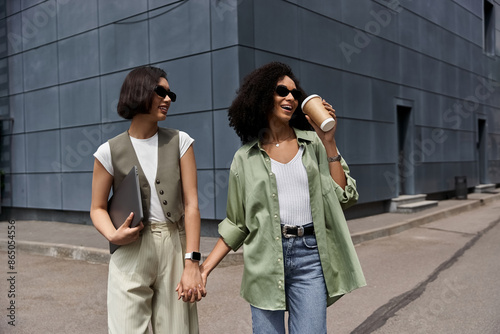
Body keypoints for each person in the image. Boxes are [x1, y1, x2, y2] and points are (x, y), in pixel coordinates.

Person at [197, 62, 366, 334]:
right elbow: (237, 224)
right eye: (281, 91)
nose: (290, 97)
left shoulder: (313, 145)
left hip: (310, 257)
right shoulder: (245, 158)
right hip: (264, 258)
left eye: (294, 93)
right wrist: (204, 269)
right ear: (262, 96)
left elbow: (345, 196)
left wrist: (329, 141)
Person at [90, 66, 204, 334]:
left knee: (178, 330)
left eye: (170, 94)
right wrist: (113, 235)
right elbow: (96, 207)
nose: (168, 99)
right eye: (161, 92)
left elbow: (192, 205)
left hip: (174, 246)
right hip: (130, 250)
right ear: (138, 92)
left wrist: (192, 263)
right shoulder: (108, 151)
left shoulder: (181, 142)